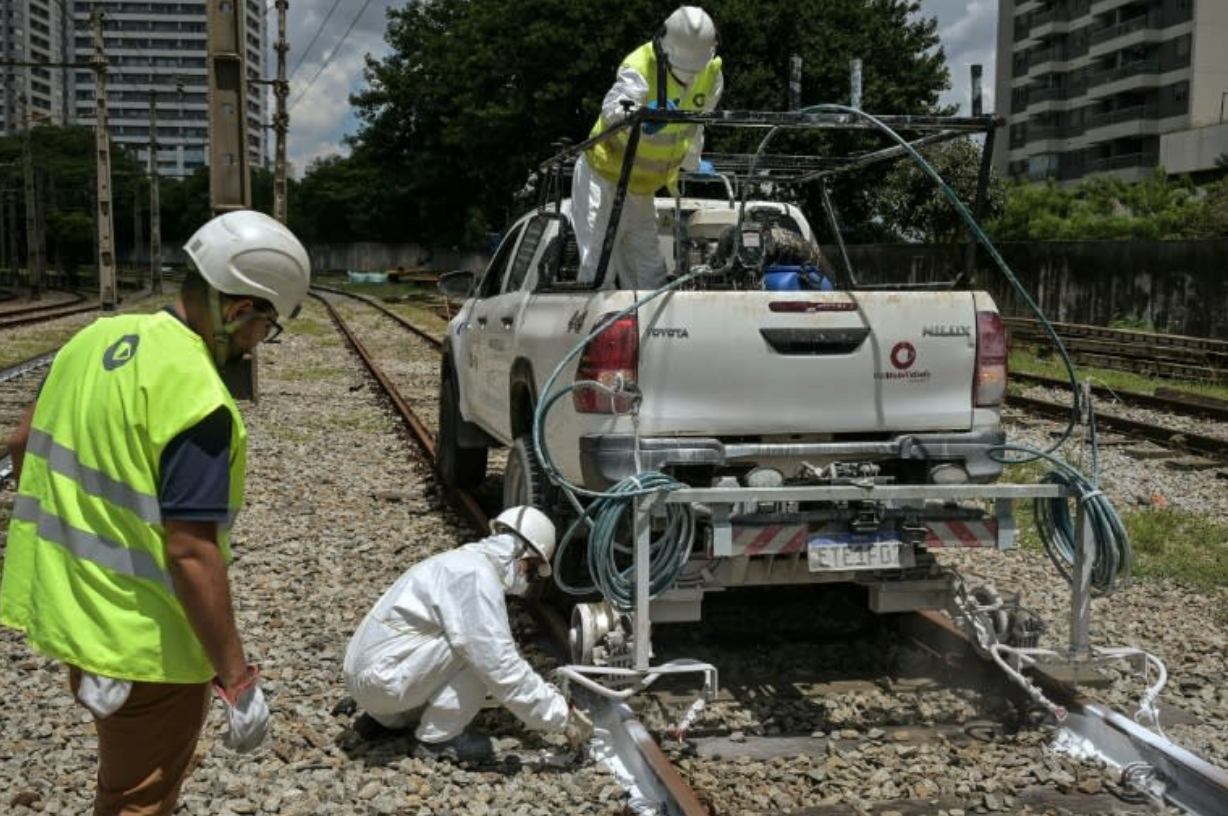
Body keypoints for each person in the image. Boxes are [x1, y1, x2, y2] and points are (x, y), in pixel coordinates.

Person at [0, 209, 310, 815]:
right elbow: (190, 553)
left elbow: (20, 443)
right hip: (146, 649)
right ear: (238, 311)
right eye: (265, 328)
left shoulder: (93, 339)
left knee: (123, 782)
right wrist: (238, 681)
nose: (258, 345)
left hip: (74, 619)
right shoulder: (197, 396)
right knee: (139, 800)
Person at [343, 506, 595, 763]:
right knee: (480, 653)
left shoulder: (458, 561)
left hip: (364, 677)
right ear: (521, 554)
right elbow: (499, 665)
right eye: (531, 569)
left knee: (470, 643)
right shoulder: (476, 576)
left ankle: (387, 720)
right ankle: (438, 739)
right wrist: (561, 715)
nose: (528, 578)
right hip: (382, 683)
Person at [572, 5, 724, 290]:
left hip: (641, 187)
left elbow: (696, 126)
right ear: (666, 51)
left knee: (649, 273)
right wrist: (638, 120)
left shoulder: (711, 74)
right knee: (597, 267)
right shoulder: (641, 65)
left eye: (695, 71)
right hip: (603, 175)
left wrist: (691, 163)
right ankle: (597, 327)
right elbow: (613, 110)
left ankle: (646, 333)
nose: (689, 79)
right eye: (683, 72)